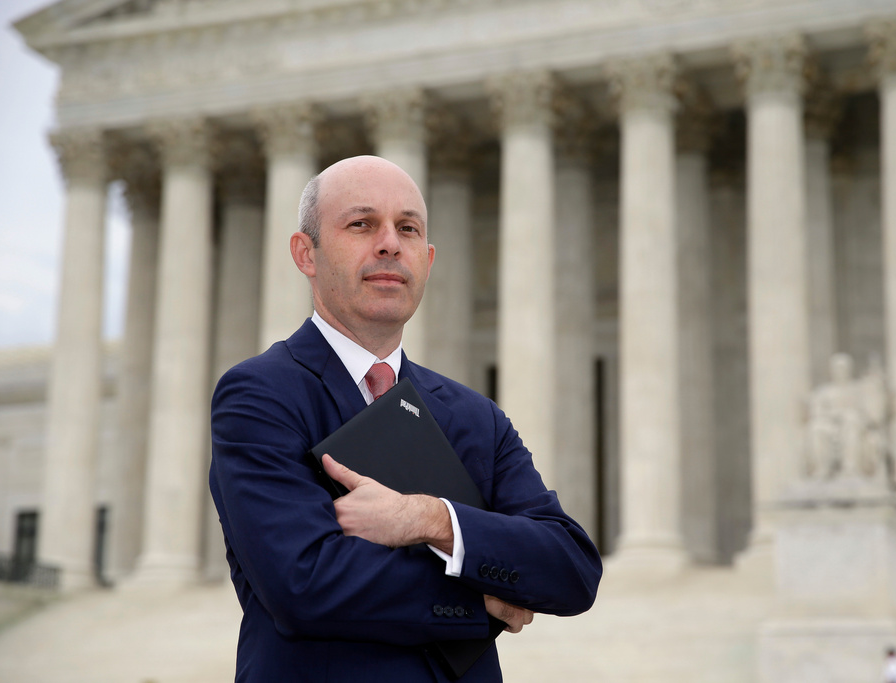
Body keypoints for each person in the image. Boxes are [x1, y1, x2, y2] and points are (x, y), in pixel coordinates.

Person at [209, 155, 602, 682]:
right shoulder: (260, 395)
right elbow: (304, 584)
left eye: (408, 228)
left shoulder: (477, 418)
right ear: (306, 254)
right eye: (361, 224)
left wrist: (429, 519)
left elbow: (571, 568)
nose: (390, 243)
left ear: (428, 259)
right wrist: (486, 595)